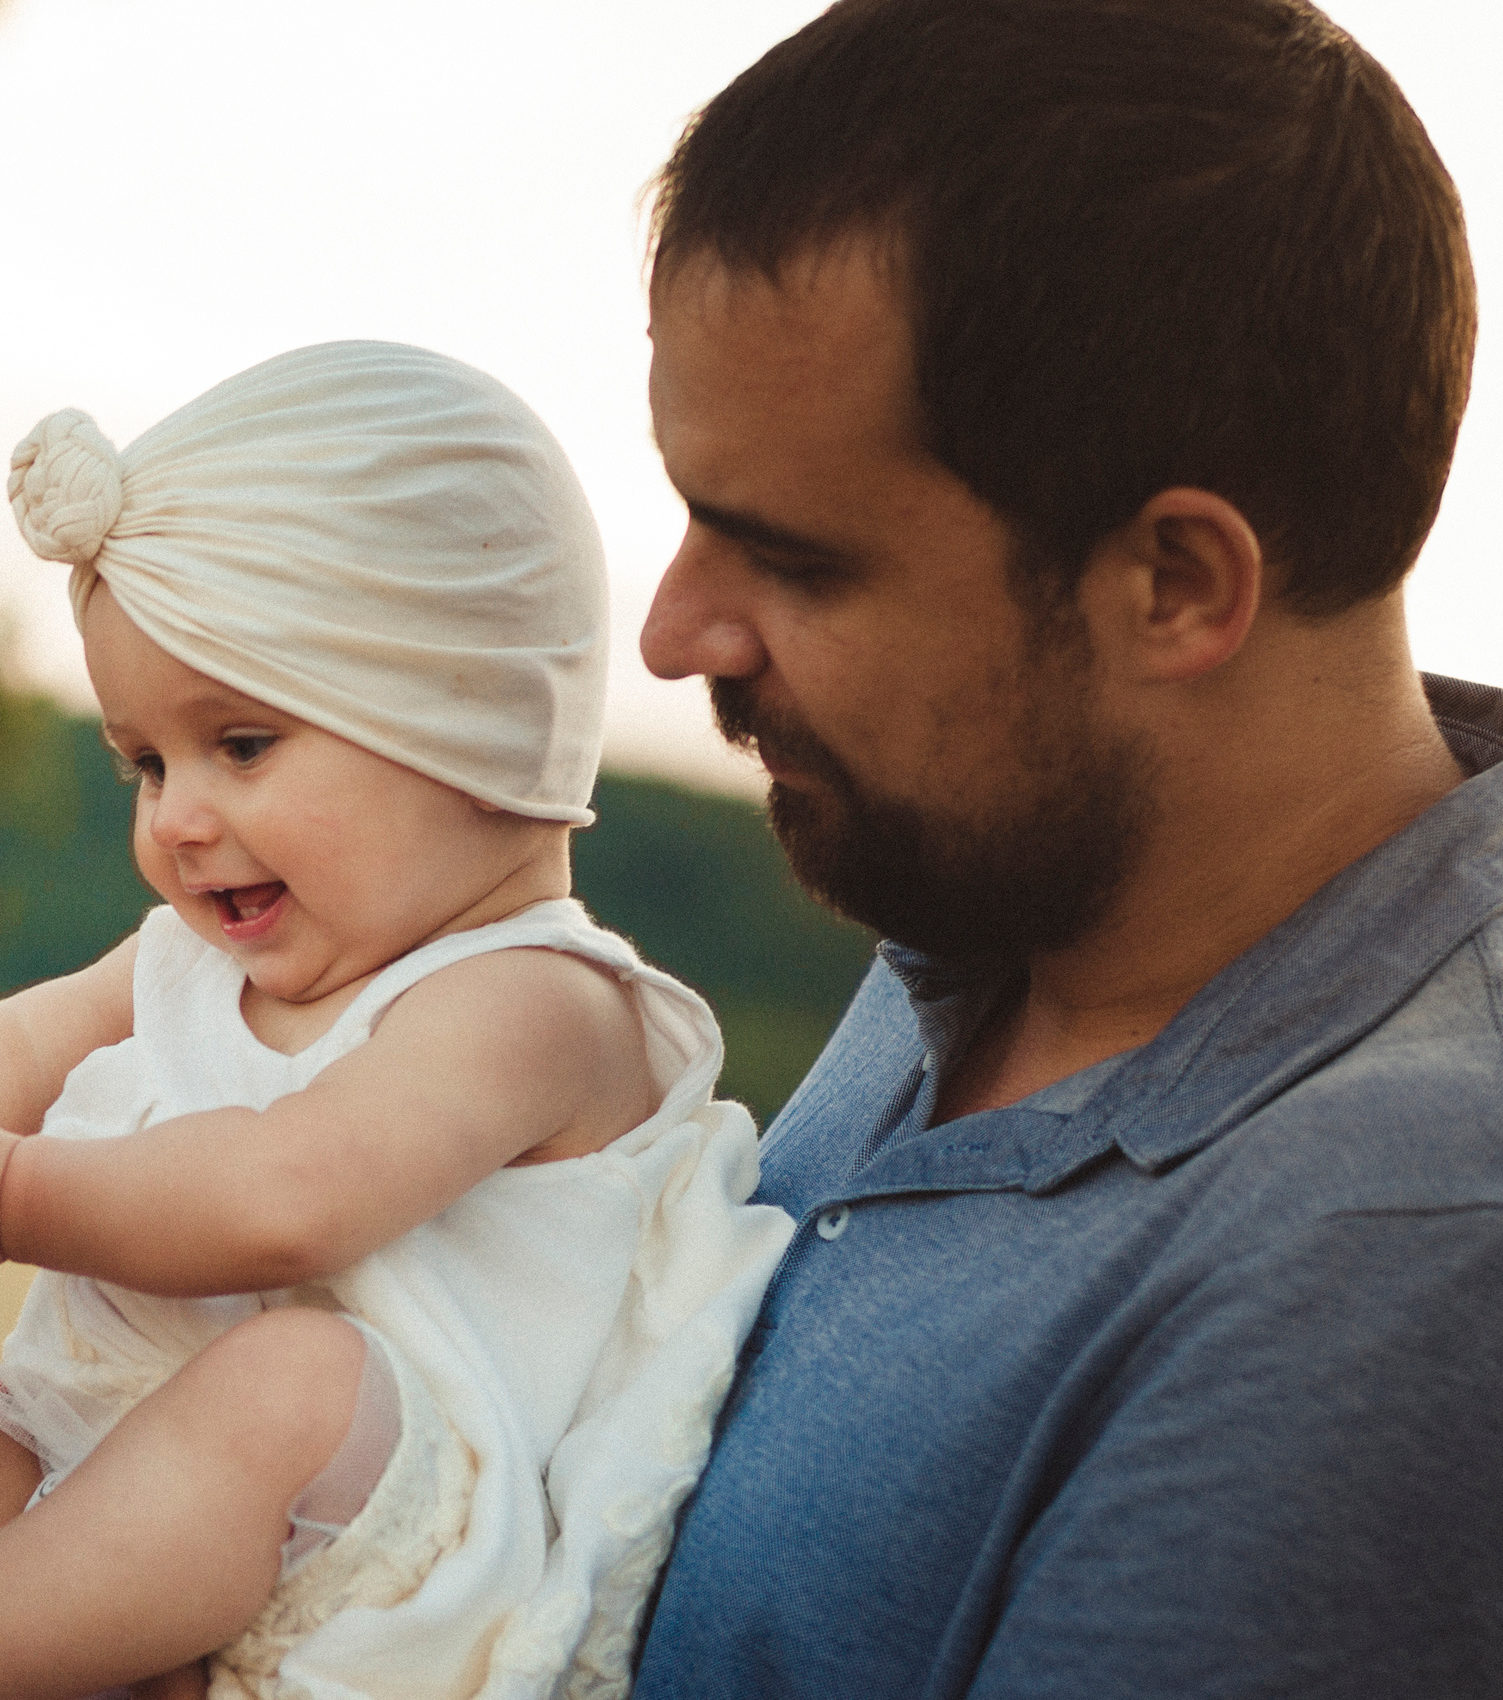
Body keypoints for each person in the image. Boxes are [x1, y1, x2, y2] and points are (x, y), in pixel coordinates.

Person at [626, 0, 1503, 1694]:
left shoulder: (1395, 1254)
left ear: (1176, 583)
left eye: (795, 563)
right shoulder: (1001, 916)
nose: (677, 636)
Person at [0, 342, 795, 1699]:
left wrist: (3, 1196)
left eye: (241, 746)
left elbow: (290, 1194)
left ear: (467, 721)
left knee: (292, 1380)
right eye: (144, 762)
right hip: (75, 1499)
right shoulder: (190, 960)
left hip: (366, 1573)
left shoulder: (535, 1001)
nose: (179, 817)